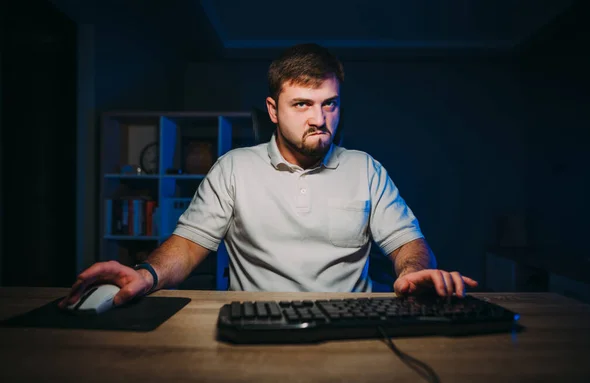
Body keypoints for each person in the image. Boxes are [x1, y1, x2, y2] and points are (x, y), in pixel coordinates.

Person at [60, 43, 477, 308]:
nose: (319, 119)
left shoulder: (365, 168)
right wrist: (147, 275)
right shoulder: (234, 168)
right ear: (273, 109)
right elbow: (187, 247)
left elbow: (409, 244)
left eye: (329, 104)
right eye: (302, 105)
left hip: (353, 322)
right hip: (255, 317)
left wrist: (410, 271)